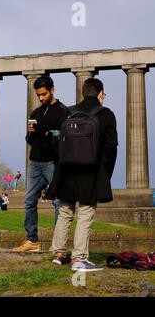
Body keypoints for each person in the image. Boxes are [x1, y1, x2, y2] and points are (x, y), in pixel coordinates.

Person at [48, 78, 118, 272]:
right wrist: (106, 173)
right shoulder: (106, 114)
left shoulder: (67, 113)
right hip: (92, 170)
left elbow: (55, 143)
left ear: (83, 92)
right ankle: (79, 258)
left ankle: (58, 253)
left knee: (65, 211)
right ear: (100, 93)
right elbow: (111, 147)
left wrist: (60, 165)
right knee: (86, 213)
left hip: (67, 170)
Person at [13, 76, 69, 252]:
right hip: (35, 162)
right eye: (38, 95)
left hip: (53, 162)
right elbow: (30, 140)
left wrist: (43, 133)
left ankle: (57, 244)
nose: (41, 98)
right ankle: (32, 241)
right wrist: (31, 134)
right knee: (29, 201)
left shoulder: (63, 111)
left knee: (58, 203)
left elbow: (62, 137)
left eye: (43, 94)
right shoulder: (35, 114)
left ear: (52, 90)